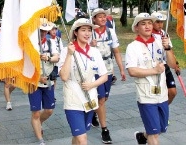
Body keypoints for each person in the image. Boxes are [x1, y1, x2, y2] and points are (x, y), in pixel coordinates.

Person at [125, 13, 177, 145]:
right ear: (136, 28)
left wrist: (168, 48)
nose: (147, 26)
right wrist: (153, 71)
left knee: (160, 128)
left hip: (162, 93)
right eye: (143, 24)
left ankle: (142, 136)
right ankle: (148, 136)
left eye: (149, 23)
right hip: (146, 95)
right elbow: (132, 71)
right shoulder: (133, 47)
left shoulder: (162, 41)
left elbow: (172, 64)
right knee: (154, 134)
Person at [58, 18, 108, 145]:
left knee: (79, 136)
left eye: (89, 30)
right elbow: (63, 77)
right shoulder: (66, 51)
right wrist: (69, 54)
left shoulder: (94, 52)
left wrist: (92, 84)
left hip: (89, 100)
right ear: (75, 32)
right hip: (73, 100)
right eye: (83, 30)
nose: (87, 34)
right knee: (82, 139)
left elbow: (104, 76)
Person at [90, 8, 126, 144]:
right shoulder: (90, 33)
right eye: (99, 17)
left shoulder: (111, 32)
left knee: (104, 99)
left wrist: (121, 69)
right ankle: (105, 130)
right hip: (95, 71)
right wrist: (90, 45)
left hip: (108, 69)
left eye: (104, 16)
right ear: (94, 19)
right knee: (101, 99)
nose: (103, 19)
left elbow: (116, 52)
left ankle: (94, 113)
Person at [28, 19, 59, 145]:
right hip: (34, 82)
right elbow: (25, 66)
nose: (43, 33)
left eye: (45, 31)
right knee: (35, 112)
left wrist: (49, 58)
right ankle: (40, 139)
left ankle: (38, 122)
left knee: (49, 110)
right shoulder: (30, 44)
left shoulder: (51, 42)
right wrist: (37, 78)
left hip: (48, 82)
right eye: (41, 31)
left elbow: (57, 58)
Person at [151, 12, 179, 105]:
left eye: (162, 22)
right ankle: (157, 113)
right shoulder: (148, 34)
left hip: (165, 66)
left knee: (172, 92)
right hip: (154, 68)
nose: (160, 24)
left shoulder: (164, 33)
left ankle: (164, 110)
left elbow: (170, 49)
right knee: (156, 94)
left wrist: (176, 64)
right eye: (157, 22)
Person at [48, 23, 64, 97]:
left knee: (54, 79)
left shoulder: (58, 39)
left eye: (55, 29)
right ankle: (50, 94)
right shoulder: (48, 39)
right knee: (51, 78)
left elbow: (62, 49)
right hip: (51, 61)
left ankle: (52, 93)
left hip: (58, 61)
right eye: (52, 29)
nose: (54, 31)